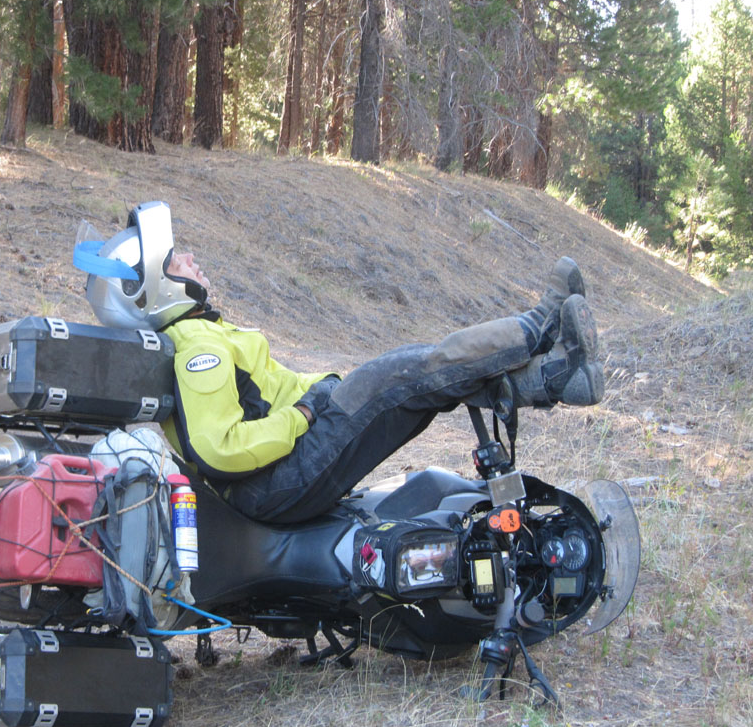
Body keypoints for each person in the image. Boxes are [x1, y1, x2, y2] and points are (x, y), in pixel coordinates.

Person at [75, 201, 602, 524]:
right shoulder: (198, 349)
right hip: (278, 481)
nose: (191, 260)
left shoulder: (201, 333)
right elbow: (220, 450)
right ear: (155, 287)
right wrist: (302, 416)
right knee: (401, 375)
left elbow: (272, 388)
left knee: (407, 373)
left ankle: (551, 377)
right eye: (176, 260)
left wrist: (321, 386)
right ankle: (537, 329)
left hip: (285, 466)